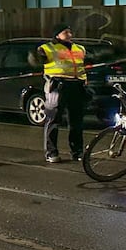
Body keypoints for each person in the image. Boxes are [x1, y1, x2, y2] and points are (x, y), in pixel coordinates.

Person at [28, 23, 88, 163]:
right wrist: (35, 56)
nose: (69, 35)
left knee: (76, 123)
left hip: (76, 86)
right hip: (57, 87)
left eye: (69, 32)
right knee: (53, 120)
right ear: (57, 34)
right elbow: (36, 60)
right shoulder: (47, 48)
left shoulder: (79, 48)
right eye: (65, 32)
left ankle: (77, 152)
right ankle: (51, 153)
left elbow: (82, 66)